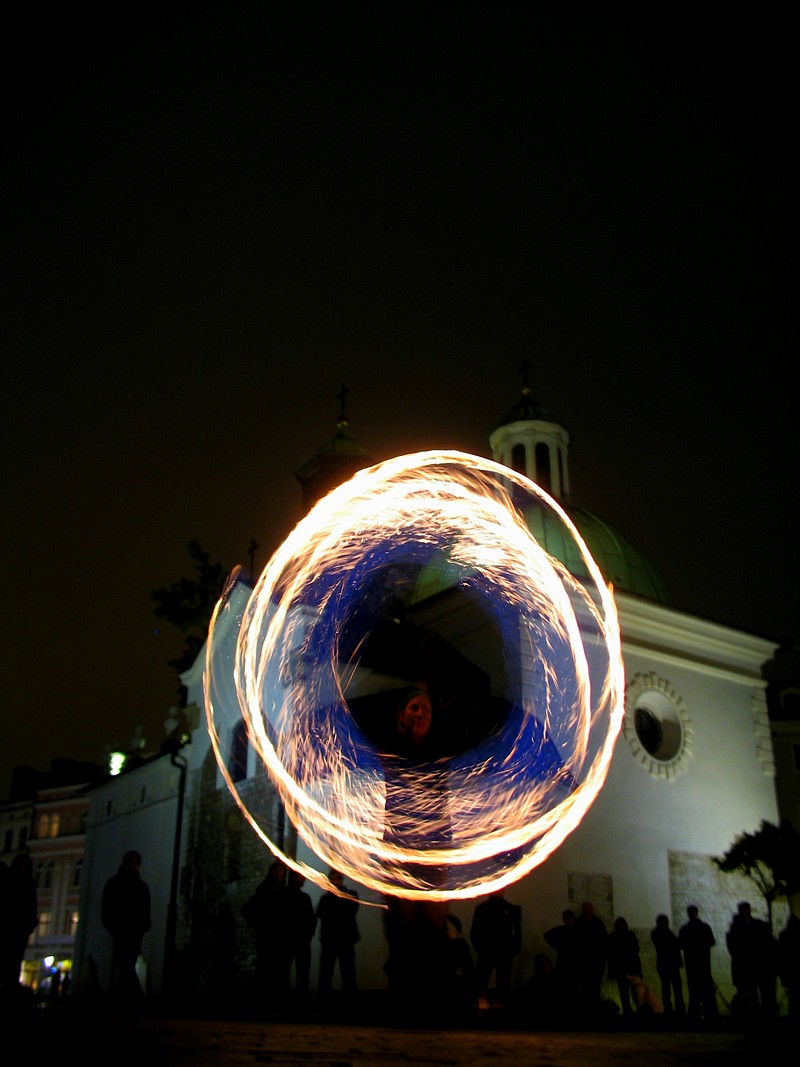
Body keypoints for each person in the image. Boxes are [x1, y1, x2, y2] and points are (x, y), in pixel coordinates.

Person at [101, 850, 151, 1008]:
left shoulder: (141, 887)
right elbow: (107, 908)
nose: (134, 865)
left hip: (134, 931)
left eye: (136, 862)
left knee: (126, 964)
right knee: (125, 963)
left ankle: (124, 997)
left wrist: (144, 924)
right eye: (131, 862)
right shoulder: (115, 884)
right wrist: (112, 926)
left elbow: (145, 909)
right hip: (121, 929)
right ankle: (134, 998)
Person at [241, 858, 287, 1009]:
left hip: (276, 937)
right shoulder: (265, 889)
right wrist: (260, 926)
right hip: (268, 936)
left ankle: (271, 1003)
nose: (281, 874)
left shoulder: (279, 889)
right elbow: (248, 909)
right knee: (266, 968)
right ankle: (263, 1002)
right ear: (273, 872)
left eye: (282, 871)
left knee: (275, 969)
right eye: (279, 871)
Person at [316, 869, 360, 1015]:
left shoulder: (349, 895)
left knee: (347, 972)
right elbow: (320, 913)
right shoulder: (326, 898)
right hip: (331, 939)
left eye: (336, 879)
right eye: (332, 879)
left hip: (344, 938)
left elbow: (349, 911)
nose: (334, 882)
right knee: (327, 972)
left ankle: (349, 1005)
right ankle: (324, 1005)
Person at [470, 887, 522, 1009]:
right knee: (484, 982)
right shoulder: (483, 909)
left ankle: (496, 1009)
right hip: (492, 951)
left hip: (501, 951)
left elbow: (517, 932)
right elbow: (474, 933)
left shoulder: (510, 909)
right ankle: (483, 1008)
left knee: (501, 983)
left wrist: (515, 947)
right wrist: (482, 949)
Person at [726, 901, 777, 1018]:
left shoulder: (753, 926)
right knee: (753, 995)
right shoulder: (739, 928)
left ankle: (762, 1017)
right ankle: (758, 1017)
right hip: (750, 967)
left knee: (761, 995)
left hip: (757, 966)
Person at [0, 853, 38, 998]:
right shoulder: (13, 882)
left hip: (19, 928)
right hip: (11, 927)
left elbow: (32, 907)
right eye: (21, 864)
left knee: (15, 957)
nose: (23, 867)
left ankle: (10, 983)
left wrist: (30, 924)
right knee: (10, 956)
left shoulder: (27, 884)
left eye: (25, 865)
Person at [281, 870, 317, 1016]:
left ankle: (289, 1005)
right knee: (298, 974)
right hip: (296, 941)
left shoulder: (290, 896)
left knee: (289, 973)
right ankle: (296, 1006)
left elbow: (312, 920)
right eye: (302, 877)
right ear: (295, 878)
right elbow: (311, 919)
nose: (305, 879)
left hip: (295, 941)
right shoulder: (298, 897)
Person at [678, 904, 718, 1022]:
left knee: (695, 991)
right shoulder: (704, 927)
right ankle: (708, 1014)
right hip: (702, 964)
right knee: (704, 991)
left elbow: (680, 944)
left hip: (694, 964)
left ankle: (696, 1015)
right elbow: (711, 942)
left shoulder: (686, 929)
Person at [574, 901, 608, 1017]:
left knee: (596, 985)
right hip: (585, 960)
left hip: (597, 960)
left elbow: (604, 939)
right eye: (587, 909)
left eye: (590, 908)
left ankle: (595, 1008)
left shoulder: (597, 922)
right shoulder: (579, 923)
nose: (589, 911)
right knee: (585, 985)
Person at [442, 913, 477, 1021]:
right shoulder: (451, 944)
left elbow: (468, 968)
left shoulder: (459, 945)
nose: (446, 931)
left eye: (448, 928)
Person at [606, 916, 642, 1017]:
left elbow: (635, 949)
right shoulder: (616, 936)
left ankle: (635, 1008)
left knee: (634, 990)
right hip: (622, 968)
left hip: (630, 967)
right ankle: (627, 1009)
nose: (622, 926)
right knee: (624, 991)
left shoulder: (622, 936)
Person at [544, 909, 581, 1004]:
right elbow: (546, 935)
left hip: (571, 964)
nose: (567, 921)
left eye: (568, 919)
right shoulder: (568, 930)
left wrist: (556, 945)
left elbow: (547, 935)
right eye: (566, 919)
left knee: (572, 986)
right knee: (567, 987)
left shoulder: (565, 930)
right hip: (567, 963)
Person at [651, 914, 685, 1016]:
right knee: (668, 988)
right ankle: (671, 1009)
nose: (666, 924)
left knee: (673, 988)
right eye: (664, 922)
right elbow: (667, 946)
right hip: (666, 964)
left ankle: (677, 1009)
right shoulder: (660, 933)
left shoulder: (666, 933)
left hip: (668, 964)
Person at [776, 912, 799, 1021]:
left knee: (793, 998)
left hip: (790, 973)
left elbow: (781, 957)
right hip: (793, 973)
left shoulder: (784, 935)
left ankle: (793, 1018)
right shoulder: (788, 936)